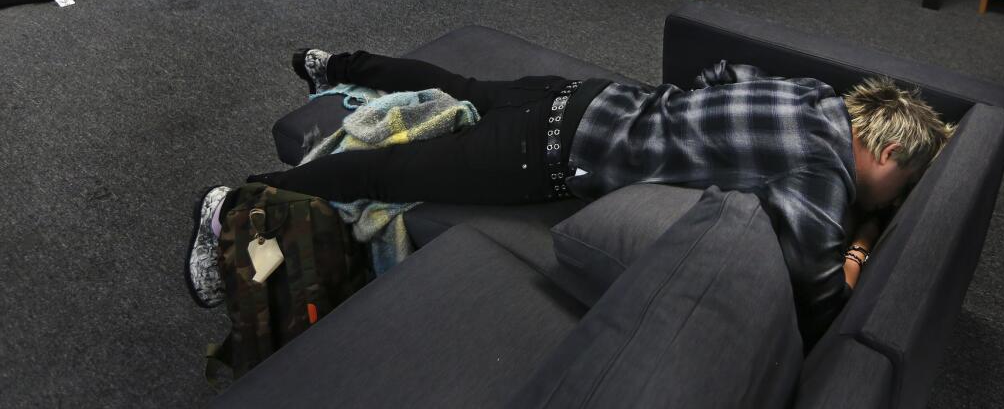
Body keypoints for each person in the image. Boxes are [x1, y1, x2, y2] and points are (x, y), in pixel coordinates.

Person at [187, 48, 955, 342]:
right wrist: (860, 239)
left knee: (463, 83)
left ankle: (338, 64)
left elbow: (717, 76)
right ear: (885, 149)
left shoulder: (812, 93)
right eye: (897, 188)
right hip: (550, 154)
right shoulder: (824, 169)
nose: (886, 201)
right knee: (387, 174)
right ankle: (232, 201)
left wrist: (693, 132)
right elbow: (822, 298)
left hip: (588, 94)